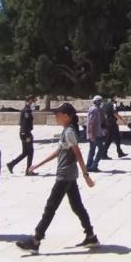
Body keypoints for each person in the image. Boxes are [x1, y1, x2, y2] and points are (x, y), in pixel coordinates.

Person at [17, 104, 99, 253]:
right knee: (77, 206)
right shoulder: (66, 131)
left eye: (58, 115)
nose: (56, 117)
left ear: (66, 116)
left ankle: (36, 240)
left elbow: (78, 153)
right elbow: (59, 151)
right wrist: (38, 164)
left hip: (65, 175)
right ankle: (91, 236)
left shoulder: (69, 132)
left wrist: (86, 175)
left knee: (50, 207)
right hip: (69, 175)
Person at [7, 98, 36, 175]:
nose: (33, 102)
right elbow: (26, 123)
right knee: (30, 152)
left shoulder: (26, 109)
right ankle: (28, 171)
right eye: (32, 100)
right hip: (26, 133)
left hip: (24, 133)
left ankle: (11, 164)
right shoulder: (27, 110)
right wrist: (27, 134)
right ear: (29, 100)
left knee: (25, 152)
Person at [85, 96, 104, 172]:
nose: (101, 103)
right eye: (100, 101)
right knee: (101, 149)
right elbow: (91, 123)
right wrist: (92, 135)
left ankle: (89, 166)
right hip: (95, 134)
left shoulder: (96, 109)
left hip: (95, 133)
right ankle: (94, 165)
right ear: (96, 102)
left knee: (92, 150)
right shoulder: (94, 110)